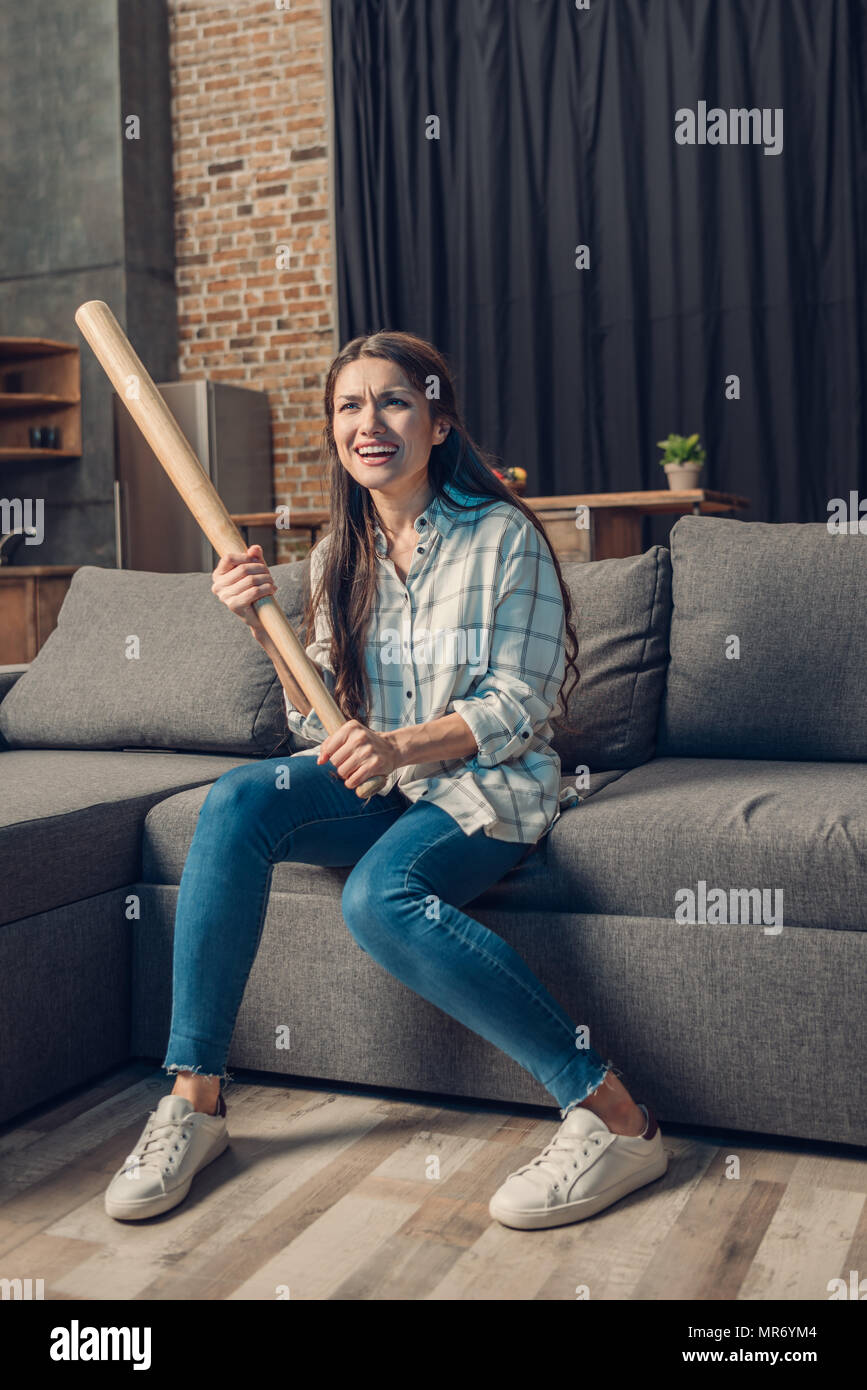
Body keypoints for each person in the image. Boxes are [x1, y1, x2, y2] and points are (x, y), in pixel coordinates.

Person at [104, 331, 667, 1229]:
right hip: (380, 784)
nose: (370, 422)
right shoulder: (338, 554)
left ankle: (617, 1119)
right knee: (239, 798)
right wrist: (261, 627)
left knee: (379, 896)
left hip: (486, 790)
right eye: (349, 405)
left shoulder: (503, 538)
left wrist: (401, 747)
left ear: (437, 421)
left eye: (394, 401)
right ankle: (196, 1101)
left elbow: (523, 706)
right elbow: (315, 717)